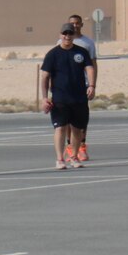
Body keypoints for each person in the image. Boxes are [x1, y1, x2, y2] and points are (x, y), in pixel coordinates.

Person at [39, 23, 95, 170]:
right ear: (60, 35)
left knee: (77, 129)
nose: (67, 36)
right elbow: (45, 76)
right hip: (60, 99)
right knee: (60, 128)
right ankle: (59, 159)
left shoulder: (81, 52)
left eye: (70, 34)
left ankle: (74, 156)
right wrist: (44, 98)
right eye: (64, 33)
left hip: (79, 98)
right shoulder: (52, 54)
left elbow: (89, 68)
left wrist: (91, 85)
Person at [66, 14, 97, 161]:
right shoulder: (61, 41)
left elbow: (92, 65)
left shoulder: (88, 43)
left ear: (81, 25)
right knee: (66, 119)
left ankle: (82, 146)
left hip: (82, 85)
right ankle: (70, 146)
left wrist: (92, 84)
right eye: (72, 23)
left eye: (77, 23)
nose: (75, 26)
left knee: (81, 118)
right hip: (65, 87)